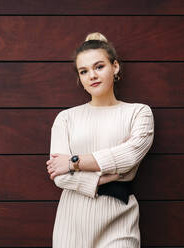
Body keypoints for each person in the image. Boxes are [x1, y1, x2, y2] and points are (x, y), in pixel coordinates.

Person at [46, 32, 154, 248]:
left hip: (120, 219)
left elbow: (129, 157)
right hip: (71, 222)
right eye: (84, 71)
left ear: (115, 67)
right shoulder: (66, 118)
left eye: (99, 67)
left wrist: (74, 162)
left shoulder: (138, 112)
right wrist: (106, 177)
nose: (92, 76)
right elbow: (59, 176)